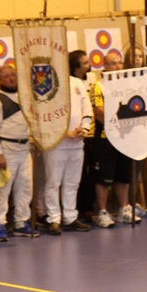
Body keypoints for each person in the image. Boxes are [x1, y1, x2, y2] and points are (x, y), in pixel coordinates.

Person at [42, 50, 92, 235]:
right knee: (53, 183)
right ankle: (53, 219)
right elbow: (44, 117)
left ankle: (70, 217)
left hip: (77, 143)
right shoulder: (47, 85)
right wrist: (64, 133)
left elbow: (87, 108)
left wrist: (84, 128)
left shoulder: (77, 83)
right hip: (56, 144)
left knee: (72, 183)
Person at [0, 65, 38, 241]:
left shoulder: (25, 98)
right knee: (2, 188)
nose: (10, 78)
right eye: (6, 76)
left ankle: (21, 222)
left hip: (25, 149)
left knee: (25, 188)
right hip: (7, 150)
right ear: (0, 80)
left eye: (13, 75)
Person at [90, 50, 137, 226]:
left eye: (119, 63)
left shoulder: (127, 85)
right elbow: (99, 112)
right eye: (113, 63)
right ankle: (103, 211)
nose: (117, 67)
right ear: (104, 65)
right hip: (105, 139)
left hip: (125, 137)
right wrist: (119, 119)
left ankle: (123, 209)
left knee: (123, 175)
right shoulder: (98, 86)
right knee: (104, 177)